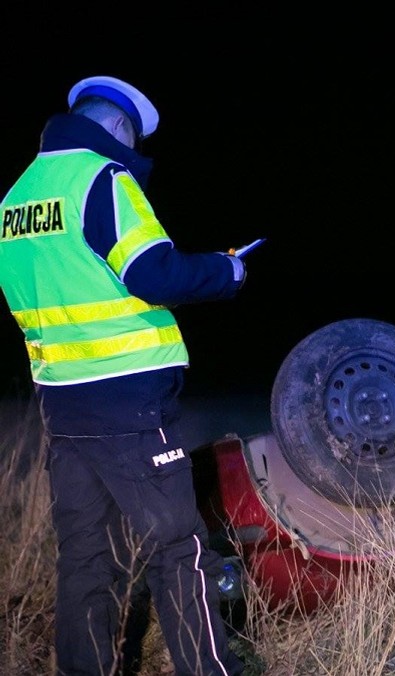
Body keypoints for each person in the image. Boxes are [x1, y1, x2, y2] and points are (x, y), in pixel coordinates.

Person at [0, 75, 246, 675]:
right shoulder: (103, 180)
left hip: (61, 400)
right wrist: (227, 270)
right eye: (131, 138)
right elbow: (154, 274)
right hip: (129, 399)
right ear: (116, 129)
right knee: (177, 548)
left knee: (84, 556)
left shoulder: (16, 198)